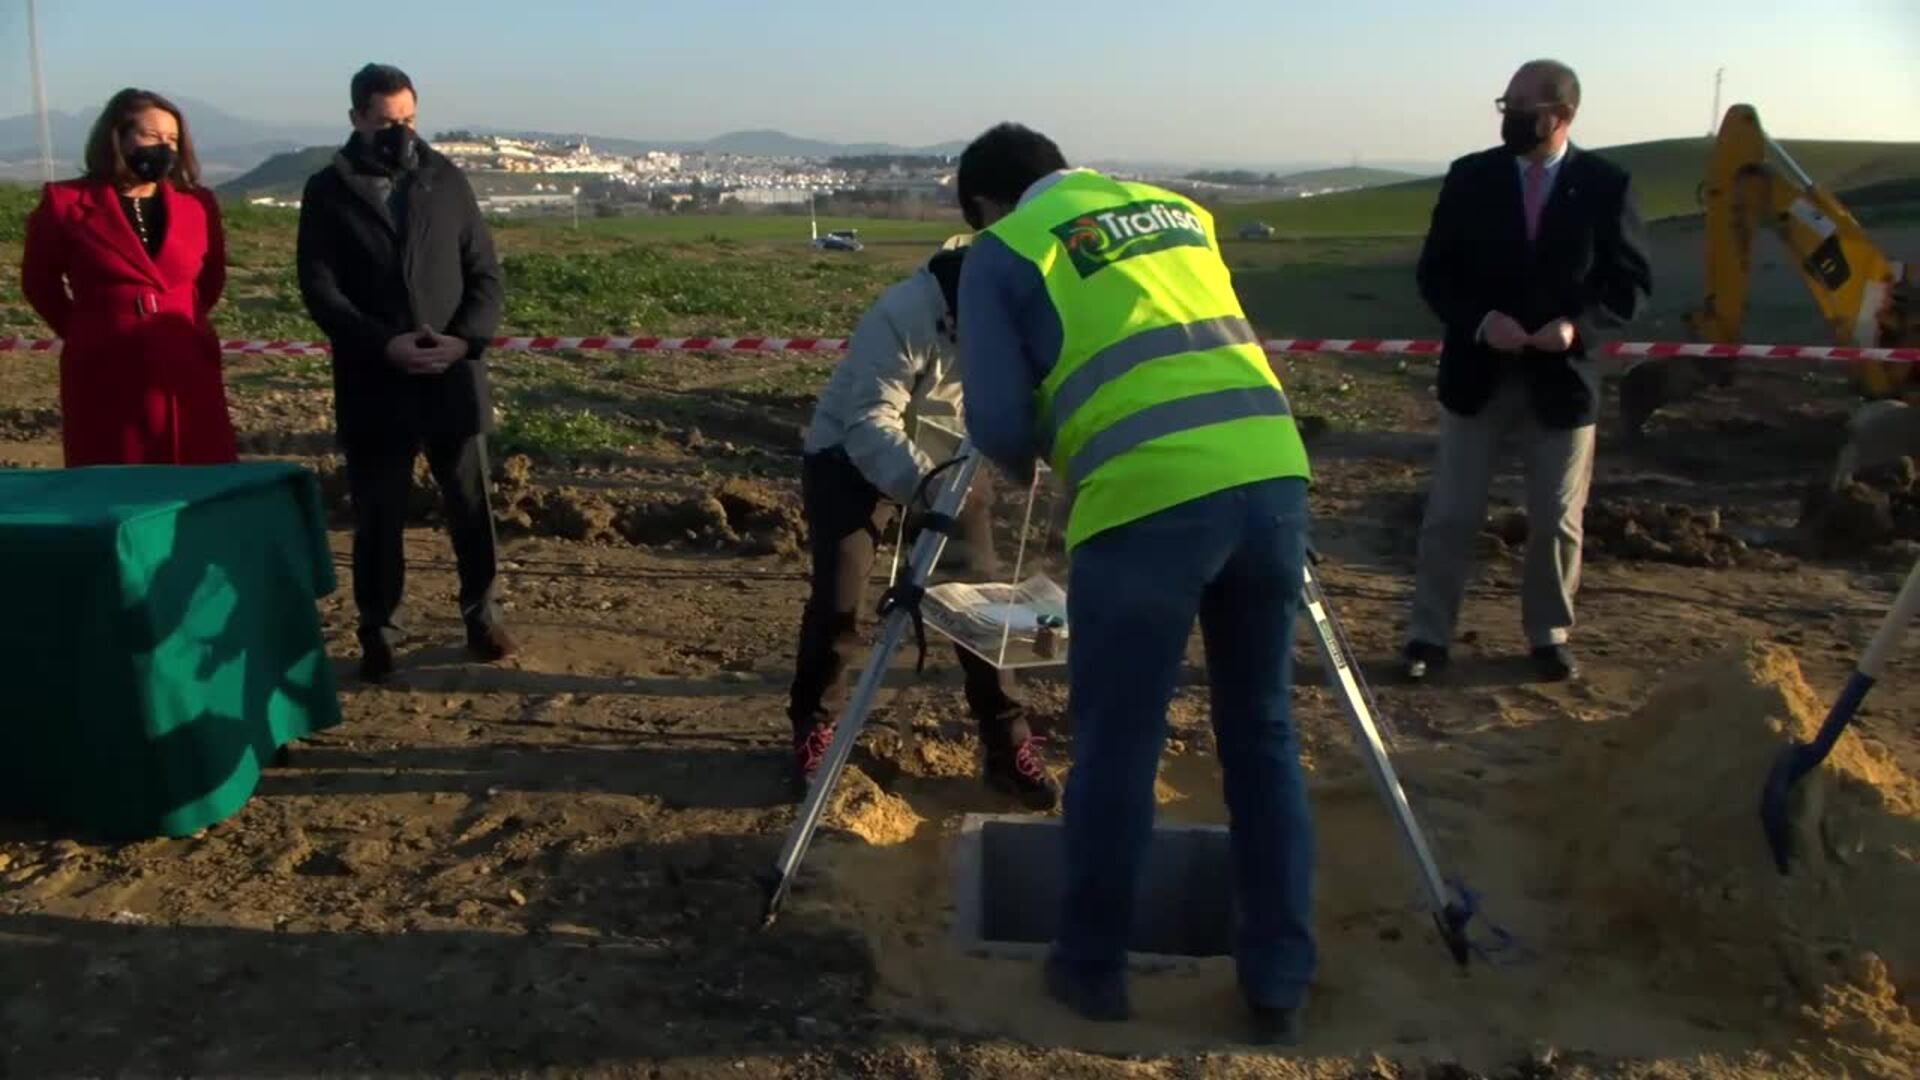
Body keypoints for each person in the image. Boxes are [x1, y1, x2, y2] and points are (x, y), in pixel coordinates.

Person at [955, 123, 1316, 1042]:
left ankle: (1091, 967)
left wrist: (1046, 424)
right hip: (1272, 476)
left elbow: (998, 425)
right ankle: (1276, 974)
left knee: (1120, 739)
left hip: (1147, 496)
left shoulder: (1003, 252)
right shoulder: (1180, 211)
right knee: (1263, 728)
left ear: (987, 206)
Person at [1403, 59, 1652, 684]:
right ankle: (1428, 635)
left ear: (1561, 116)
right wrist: (1483, 322)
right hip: (1476, 374)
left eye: (1522, 107)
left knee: (1556, 521)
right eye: (1505, 105)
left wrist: (1575, 329)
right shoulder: (1470, 178)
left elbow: (1628, 287)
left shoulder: (1606, 185)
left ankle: (1548, 635)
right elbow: (1436, 273)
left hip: (1561, 382)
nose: (1510, 117)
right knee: (1452, 516)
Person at [789, 240, 1060, 809]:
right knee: (840, 599)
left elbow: (1031, 395)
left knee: (982, 602)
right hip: (849, 457)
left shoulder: (1012, 315)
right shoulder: (900, 315)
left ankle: (1006, 745)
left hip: (949, 461)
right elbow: (868, 422)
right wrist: (925, 489)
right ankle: (816, 728)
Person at [295, 63, 513, 682]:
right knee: (379, 515)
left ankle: (482, 614)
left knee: (471, 506)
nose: (401, 133)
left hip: (452, 378)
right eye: (388, 122)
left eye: (410, 120)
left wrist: (463, 341)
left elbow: (485, 275)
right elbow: (321, 288)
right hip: (375, 380)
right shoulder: (327, 191)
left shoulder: (446, 180)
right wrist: (381, 345)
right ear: (358, 119)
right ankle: (379, 630)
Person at [21, 89, 237, 467]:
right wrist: (90, 328)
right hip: (105, 366)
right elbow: (40, 284)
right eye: (152, 136)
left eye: (172, 139)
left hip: (185, 361)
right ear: (118, 137)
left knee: (196, 472)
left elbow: (211, 278)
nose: (164, 147)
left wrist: (181, 318)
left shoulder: (198, 203)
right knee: (115, 472)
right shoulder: (65, 203)